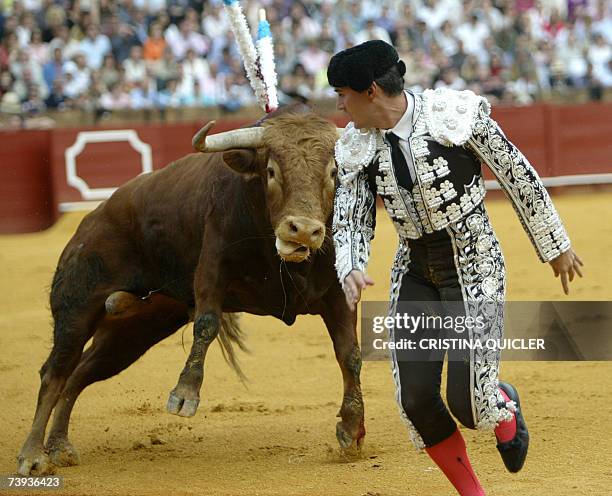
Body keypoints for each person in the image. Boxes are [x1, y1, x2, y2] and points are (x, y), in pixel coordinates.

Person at [327, 40, 583, 496]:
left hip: (474, 259)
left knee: (471, 404)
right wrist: (350, 266)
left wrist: (555, 245)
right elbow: (350, 214)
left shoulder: (451, 115)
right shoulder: (356, 146)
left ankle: (503, 403)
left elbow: (516, 172)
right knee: (417, 399)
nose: (340, 106)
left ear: (370, 91)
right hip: (415, 268)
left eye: (343, 94)